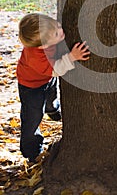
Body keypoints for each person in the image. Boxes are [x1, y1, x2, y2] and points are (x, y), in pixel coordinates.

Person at [16, 13, 90, 163]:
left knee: (51, 95)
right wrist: (72, 57)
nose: (61, 30)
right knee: (33, 116)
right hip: (31, 87)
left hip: (46, 79)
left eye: (56, 25)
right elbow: (56, 70)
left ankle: (52, 109)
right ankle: (32, 151)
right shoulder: (36, 57)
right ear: (43, 45)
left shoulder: (46, 36)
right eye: (56, 32)